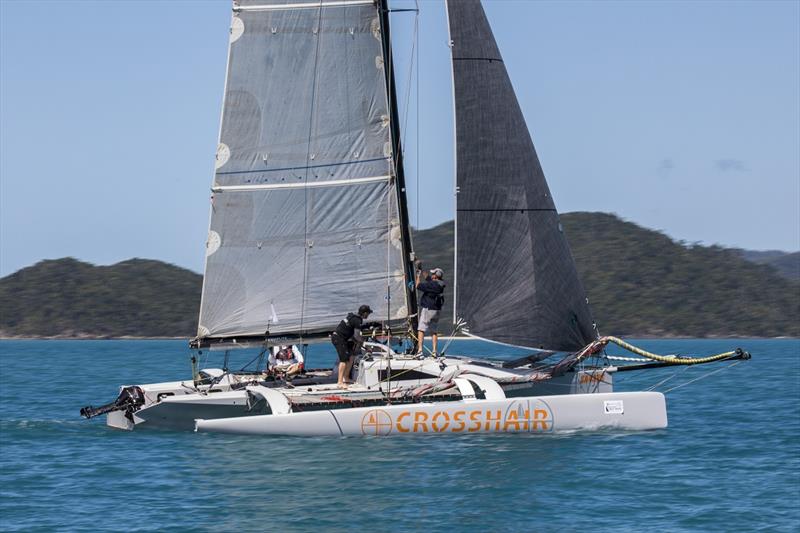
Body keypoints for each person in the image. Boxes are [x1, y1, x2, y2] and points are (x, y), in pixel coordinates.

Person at [330, 304, 373, 389]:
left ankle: (346, 377)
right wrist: (363, 344)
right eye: (368, 313)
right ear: (364, 313)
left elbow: (351, 335)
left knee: (351, 356)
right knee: (344, 359)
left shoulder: (353, 317)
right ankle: (340, 382)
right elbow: (357, 336)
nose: (368, 315)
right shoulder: (357, 320)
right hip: (338, 338)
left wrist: (358, 343)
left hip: (344, 338)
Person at [416, 263, 445, 357]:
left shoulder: (431, 285)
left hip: (428, 309)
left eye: (433, 274)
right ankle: (434, 351)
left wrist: (418, 275)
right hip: (437, 310)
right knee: (434, 331)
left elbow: (418, 285)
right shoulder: (440, 284)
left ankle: (420, 351)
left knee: (421, 329)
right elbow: (428, 279)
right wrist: (421, 268)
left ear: (435, 276)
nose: (431, 275)